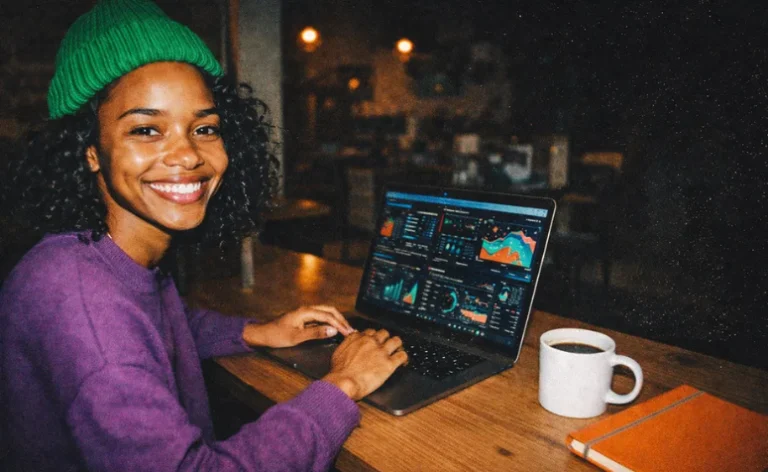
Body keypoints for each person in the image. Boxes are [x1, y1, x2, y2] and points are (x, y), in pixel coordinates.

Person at [0, 1, 407, 470]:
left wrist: (255, 332)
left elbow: (159, 327)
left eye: (204, 127)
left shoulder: (97, 256)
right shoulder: (82, 305)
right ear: (90, 152)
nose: (188, 154)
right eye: (147, 129)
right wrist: (344, 384)